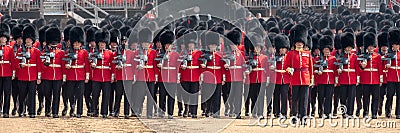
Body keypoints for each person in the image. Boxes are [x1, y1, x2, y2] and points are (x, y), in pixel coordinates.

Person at [284, 24, 313, 124]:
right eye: (298, 42)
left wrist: (311, 78)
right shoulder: (290, 53)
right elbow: (285, 65)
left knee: (304, 99)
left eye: (301, 42)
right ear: (295, 43)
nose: (299, 44)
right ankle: (294, 116)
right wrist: (289, 69)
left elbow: (310, 67)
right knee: (294, 99)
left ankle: (303, 116)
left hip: (305, 78)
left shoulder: (307, 53)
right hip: (295, 78)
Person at [15, 25, 42, 118]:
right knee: (22, 94)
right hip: (22, 75)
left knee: (32, 95)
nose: (28, 41)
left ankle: (32, 112)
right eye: (26, 39)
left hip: (33, 76)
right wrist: (20, 66)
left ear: (32, 40)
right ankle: (21, 110)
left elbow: (39, 65)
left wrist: (38, 77)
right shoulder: (19, 50)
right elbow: (16, 63)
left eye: (30, 39)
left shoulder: (37, 51)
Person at [65, 26, 90, 118]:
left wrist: (87, 76)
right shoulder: (67, 52)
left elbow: (87, 65)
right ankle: (72, 107)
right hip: (71, 76)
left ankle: (79, 111)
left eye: (78, 43)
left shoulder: (84, 52)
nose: (76, 44)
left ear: (81, 43)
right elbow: (65, 63)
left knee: (80, 94)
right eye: (75, 43)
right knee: (70, 93)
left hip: (80, 76)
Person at [40, 27, 64, 118]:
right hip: (47, 76)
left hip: (57, 76)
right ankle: (47, 111)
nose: (54, 43)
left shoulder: (61, 53)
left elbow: (62, 65)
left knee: (57, 95)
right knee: (47, 94)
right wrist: (45, 64)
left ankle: (55, 112)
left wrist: (63, 77)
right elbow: (41, 64)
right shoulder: (44, 52)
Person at [91, 29, 115, 118]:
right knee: (95, 95)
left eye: (103, 43)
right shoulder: (94, 53)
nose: (102, 44)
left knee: (106, 95)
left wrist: (112, 76)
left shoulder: (110, 53)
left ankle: (104, 112)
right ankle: (95, 110)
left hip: (106, 77)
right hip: (96, 77)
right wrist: (92, 65)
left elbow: (112, 66)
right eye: (100, 43)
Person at [133, 28, 157, 118]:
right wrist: (136, 69)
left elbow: (154, 65)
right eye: (144, 42)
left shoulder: (153, 52)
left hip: (150, 77)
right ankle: (138, 111)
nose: (146, 44)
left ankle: (149, 113)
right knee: (140, 95)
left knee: (151, 97)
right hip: (140, 76)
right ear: (141, 43)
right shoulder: (137, 52)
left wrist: (156, 76)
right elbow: (134, 64)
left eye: (147, 42)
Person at [244, 32, 268, 118]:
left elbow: (267, 70)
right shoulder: (249, 58)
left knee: (260, 97)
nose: (256, 49)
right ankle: (254, 111)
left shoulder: (264, 57)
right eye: (255, 47)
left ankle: (260, 113)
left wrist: (267, 79)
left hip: (262, 79)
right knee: (253, 96)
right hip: (252, 79)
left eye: (258, 47)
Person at [359, 32, 382, 119]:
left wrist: (380, 79)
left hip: (375, 79)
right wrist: (362, 66)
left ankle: (374, 113)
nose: (371, 48)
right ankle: (365, 112)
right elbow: (360, 68)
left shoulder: (377, 56)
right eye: (369, 46)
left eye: (372, 46)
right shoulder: (362, 56)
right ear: (367, 47)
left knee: (376, 97)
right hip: (366, 79)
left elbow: (380, 68)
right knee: (366, 97)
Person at [224, 28, 246, 119]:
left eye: (235, 44)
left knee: (238, 96)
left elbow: (244, 66)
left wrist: (244, 75)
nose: (234, 46)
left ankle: (238, 112)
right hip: (230, 77)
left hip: (239, 78)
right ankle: (231, 109)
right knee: (230, 95)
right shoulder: (227, 54)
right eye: (232, 45)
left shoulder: (241, 54)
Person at [179, 31, 202, 118]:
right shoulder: (183, 53)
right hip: (185, 76)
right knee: (186, 95)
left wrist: (201, 76)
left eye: (192, 44)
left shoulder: (198, 53)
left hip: (195, 76)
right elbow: (179, 65)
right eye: (189, 44)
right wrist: (182, 68)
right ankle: (186, 108)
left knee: (194, 95)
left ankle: (194, 112)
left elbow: (201, 65)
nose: (190, 45)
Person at [157, 30, 179, 119]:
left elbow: (178, 67)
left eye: (168, 45)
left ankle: (170, 113)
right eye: (165, 45)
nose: (167, 46)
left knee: (171, 96)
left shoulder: (175, 54)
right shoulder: (160, 54)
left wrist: (178, 77)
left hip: (172, 78)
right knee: (162, 96)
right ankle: (162, 112)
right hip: (163, 78)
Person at [338, 32, 359, 118]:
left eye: (350, 47)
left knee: (351, 97)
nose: (349, 49)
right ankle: (344, 113)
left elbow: (357, 68)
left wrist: (358, 78)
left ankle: (350, 113)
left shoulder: (354, 56)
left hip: (352, 78)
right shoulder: (341, 57)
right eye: (347, 47)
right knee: (343, 97)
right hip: (343, 78)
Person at [316, 35, 337, 118]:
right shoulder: (318, 59)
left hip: (330, 80)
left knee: (329, 97)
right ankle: (320, 111)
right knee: (320, 97)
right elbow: (315, 69)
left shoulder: (333, 58)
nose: (326, 51)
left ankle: (328, 113)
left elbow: (335, 70)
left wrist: (336, 80)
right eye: (325, 49)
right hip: (321, 80)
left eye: (328, 49)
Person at [271, 34, 290, 119]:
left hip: (285, 79)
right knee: (276, 96)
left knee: (284, 96)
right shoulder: (274, 57)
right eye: (281, 48)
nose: (282, 50)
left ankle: (284, 113)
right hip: (276, 78)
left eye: (283, 48)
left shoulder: (288, 57)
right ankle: (277, 112)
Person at [0, 23, 14, 118]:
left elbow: (12, 62)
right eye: (2, 37)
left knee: (7, 93)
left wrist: (13, 72)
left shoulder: (9, 49)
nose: (3, 39)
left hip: (7, 73)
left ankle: (6, 111)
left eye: (5, 37)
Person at [385, 28, 400, 119]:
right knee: (389, 95)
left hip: (399, 78)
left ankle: (398, 112)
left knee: (399, 96)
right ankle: (388, 111)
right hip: (391, 77)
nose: (396, 46)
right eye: (394, 45)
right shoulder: (388, 55)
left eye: (397, 45)